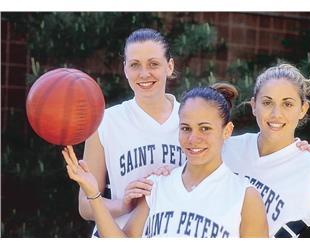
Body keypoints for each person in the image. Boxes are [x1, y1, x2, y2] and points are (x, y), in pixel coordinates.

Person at [62, 84, 269, 237]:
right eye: (186, 128)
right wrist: (93, 193)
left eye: (205, 128)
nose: (193, 139)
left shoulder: (244, 196)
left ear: (227, 131)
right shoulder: (159, 185)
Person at [79, 28, 186, 237]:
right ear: (125, 69)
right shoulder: (105, 122)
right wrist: (124, 204)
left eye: (153, 64)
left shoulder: (191, 121)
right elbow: (85, 205)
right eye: (135, 65)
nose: (144, 74)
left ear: (169, 66)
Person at [222, 63, 310, 237]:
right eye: (267, 102)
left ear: (302, 109)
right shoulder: (227, 148)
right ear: (254, 105)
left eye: (287, 104)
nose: (276, 114)